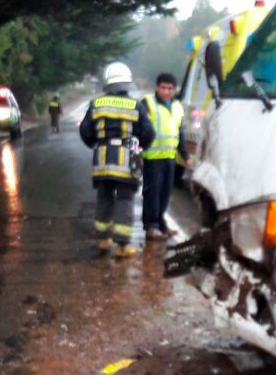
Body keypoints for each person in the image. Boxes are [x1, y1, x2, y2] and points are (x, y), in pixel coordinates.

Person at [79, 62, 155, 257]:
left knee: (104, 197)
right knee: (124, 199)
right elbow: (148, 132)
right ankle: (122, 245)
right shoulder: (135, 106)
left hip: (102, 160)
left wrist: (95, 143)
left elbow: (85, 130)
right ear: (127, 84)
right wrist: (139, 147)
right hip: (126, 160)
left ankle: (103, 240)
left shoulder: (97, 104)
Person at [141, 73, 192, 240]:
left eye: (170, 88)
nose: (167, 91)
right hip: (152, 157)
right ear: (157, 87)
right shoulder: (147, 103)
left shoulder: (177, 106)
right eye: (163, 87)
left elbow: (179, 133)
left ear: (175, 89)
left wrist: (185, 155)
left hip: (169, 158)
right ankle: (151, 226)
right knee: (152, 193)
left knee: (165, 193)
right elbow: (139, 128)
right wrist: (138, 152)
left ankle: (161, 224)